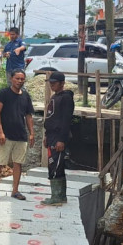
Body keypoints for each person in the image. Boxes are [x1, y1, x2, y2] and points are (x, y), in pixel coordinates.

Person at [0, 69, 34, 201]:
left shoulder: (26, 96)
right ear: (11, 79)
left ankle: (15, 191)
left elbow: (28, 116)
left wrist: (31, 133)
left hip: (21, 135)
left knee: (18, 163)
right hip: (6, 135)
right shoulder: (3, 94)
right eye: (17, 78)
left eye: (22, 79)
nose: (20, 81)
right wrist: (0, 131)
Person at [43, 71, 75, 205]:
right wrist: (46, 135)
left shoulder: (66, 98)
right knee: (55, 165)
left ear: (62, 83)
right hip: (51, 135)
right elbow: (51, 118)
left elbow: (66, 121)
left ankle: (57, 196)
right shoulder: (55, 97)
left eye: (54, 83)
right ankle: (60, 196)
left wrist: (61, 139)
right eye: (50, 83)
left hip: (58, 137)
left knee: (55, 165)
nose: (52, 86)